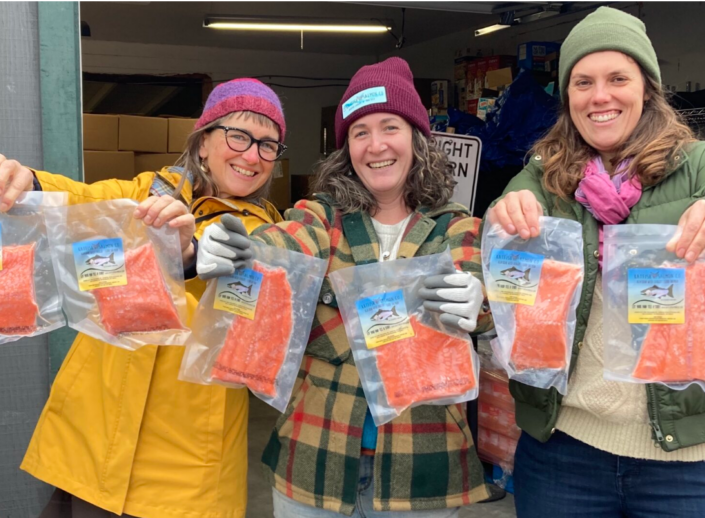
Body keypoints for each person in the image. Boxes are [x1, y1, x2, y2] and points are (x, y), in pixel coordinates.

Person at [486, 7, 705, 518]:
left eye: (617, 78)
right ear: (568, 96)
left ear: (646, 87)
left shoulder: (699, 163)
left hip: (693, 461)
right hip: (564, 452)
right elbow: (500, 230)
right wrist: (503, 213)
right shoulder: (543, 176)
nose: (600, 96)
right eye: (583, 82)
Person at [0, 78, 288, 518]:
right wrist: (30, 184)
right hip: (96, 435)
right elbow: (85, 201)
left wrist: (191, 256)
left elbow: (255, 301)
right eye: (238, 135)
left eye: (268, 145)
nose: (252, 155)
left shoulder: (270, 236)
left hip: (183, 464)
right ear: (202, 144)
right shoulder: (149, 191)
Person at [197, 57, 492, 517]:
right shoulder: (322, 218)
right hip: (315, 455)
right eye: (360, 132)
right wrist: (237, 246)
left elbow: (476, 276)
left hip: (423, 467)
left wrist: (479, 301)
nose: (376, 145)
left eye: (389, 126)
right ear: (346, 149)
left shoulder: (454, 226)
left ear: (416, 138)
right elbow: (285, 241)